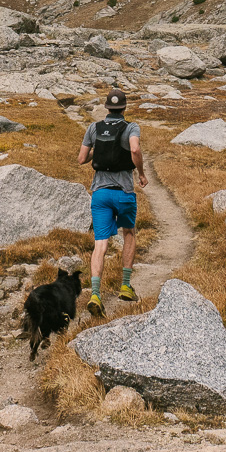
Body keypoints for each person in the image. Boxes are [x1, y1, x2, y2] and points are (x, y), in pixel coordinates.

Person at [77, 89, 146, 316]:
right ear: (124, 108)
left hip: (100, 194)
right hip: (124, 192)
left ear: (107, 108)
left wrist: (95, 154)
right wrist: (141, 172)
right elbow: (134, 149)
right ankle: (125, 286)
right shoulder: (130, 127)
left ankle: (95, 293)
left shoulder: (93, 128)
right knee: (129, 233)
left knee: (100, 244)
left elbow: (81, 159)